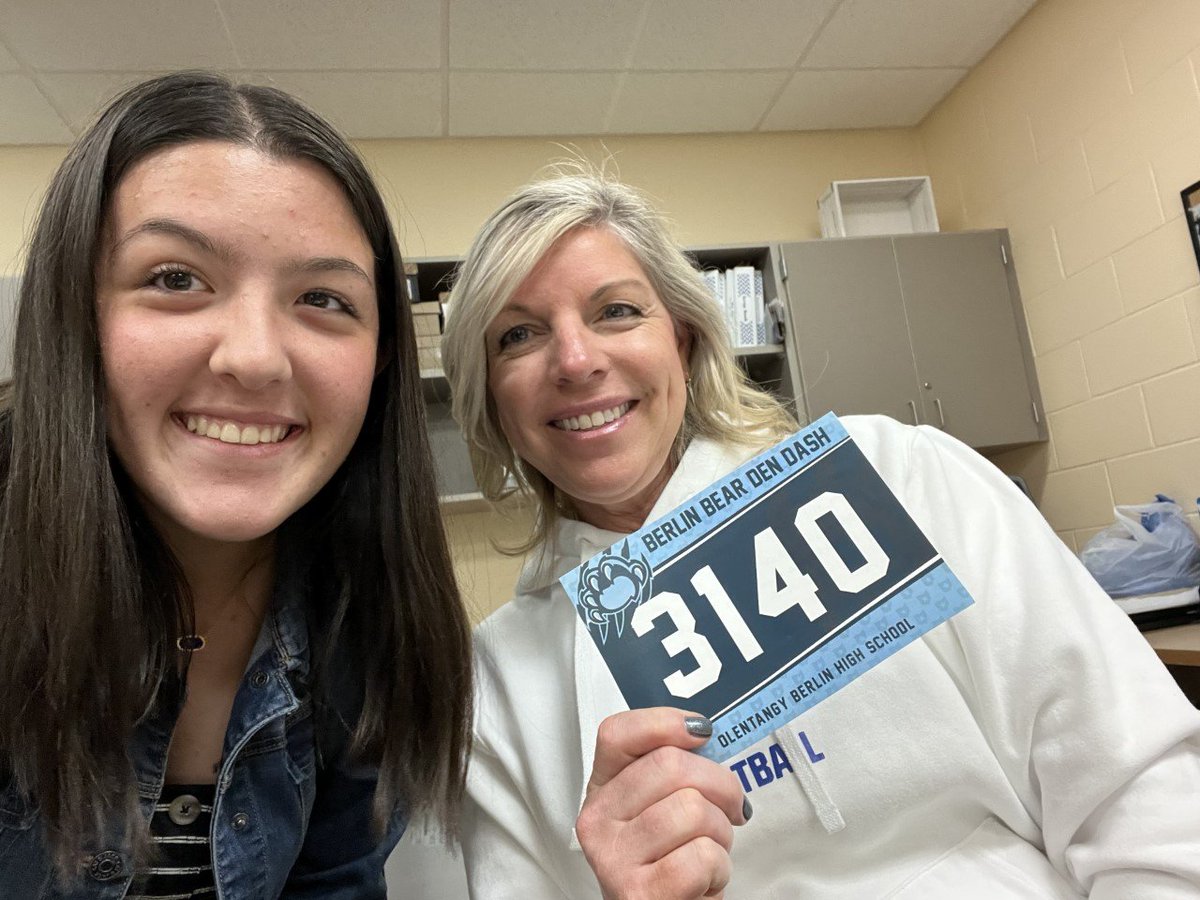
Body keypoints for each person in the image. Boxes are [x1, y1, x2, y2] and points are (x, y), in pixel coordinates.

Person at [440, 169, 1200, 899]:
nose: (576, 361)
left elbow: (1138, 789)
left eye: (616, 311)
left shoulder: (894, 474)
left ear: (685, 341)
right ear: (492, 402)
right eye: (518, 335)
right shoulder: (499, 679)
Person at [0, 72, 473, 899]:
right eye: (175, 278)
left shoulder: (368, 621)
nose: (254, 358)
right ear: (72, 314)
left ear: (380, 359)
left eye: (322, 298)